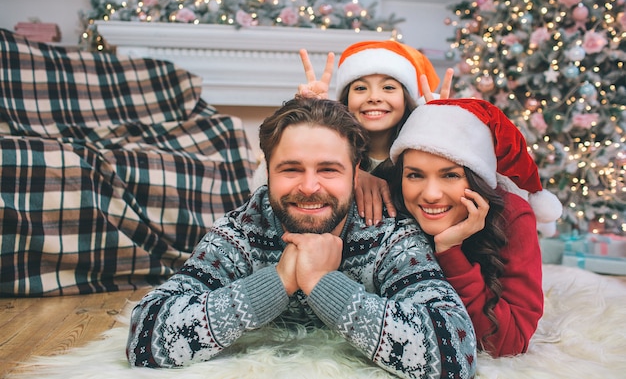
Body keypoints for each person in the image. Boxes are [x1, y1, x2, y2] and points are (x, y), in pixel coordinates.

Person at [126, 97, 477, 378]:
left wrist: (323, 284)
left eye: (328, 169)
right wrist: (278, 281)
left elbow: (455, 352)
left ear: (356, 174)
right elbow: (145, 337)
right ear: (268, 172)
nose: (309, 187)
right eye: (291, 169)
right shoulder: (243, 230)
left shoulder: (388, 233)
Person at [386, 97, 563, 357]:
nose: (431, 194)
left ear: (477, 178)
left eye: (450, 175)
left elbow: (508, 342)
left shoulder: (512, 216)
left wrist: (450, 251)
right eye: (415, 175)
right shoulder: (392, 205)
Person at [254, 40, 442, 226]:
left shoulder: (419, 153)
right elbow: (265, 187)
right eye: (360, 88)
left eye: (388, 88)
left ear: (406, 98)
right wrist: (306, 122)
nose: (374, 97)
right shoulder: (331, 153)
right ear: (346, 99)